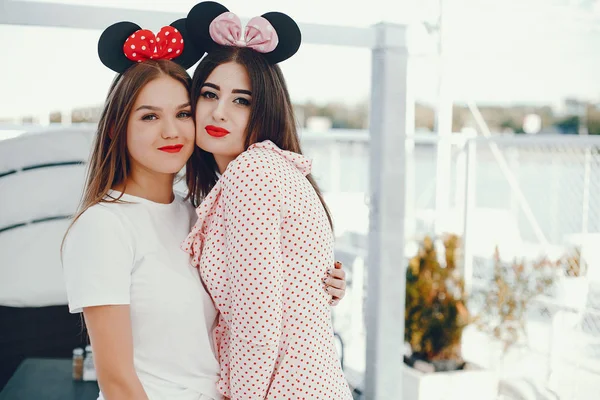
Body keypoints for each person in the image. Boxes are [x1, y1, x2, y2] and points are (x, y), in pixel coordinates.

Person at [61, 17, 347, 400]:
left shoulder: (199, 215)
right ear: (115, 127)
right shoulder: (103, 225)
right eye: (149, 116)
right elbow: (116, 381)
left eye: (181, 113)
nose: (171, 131)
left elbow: (251, 306)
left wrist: (313, 281)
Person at [182, 2, 353, 399]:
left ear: (266, 108)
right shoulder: (269, 171)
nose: (219, 112)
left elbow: (257, 326)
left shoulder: (251, 173)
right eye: (210, 94)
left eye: (242, 100)